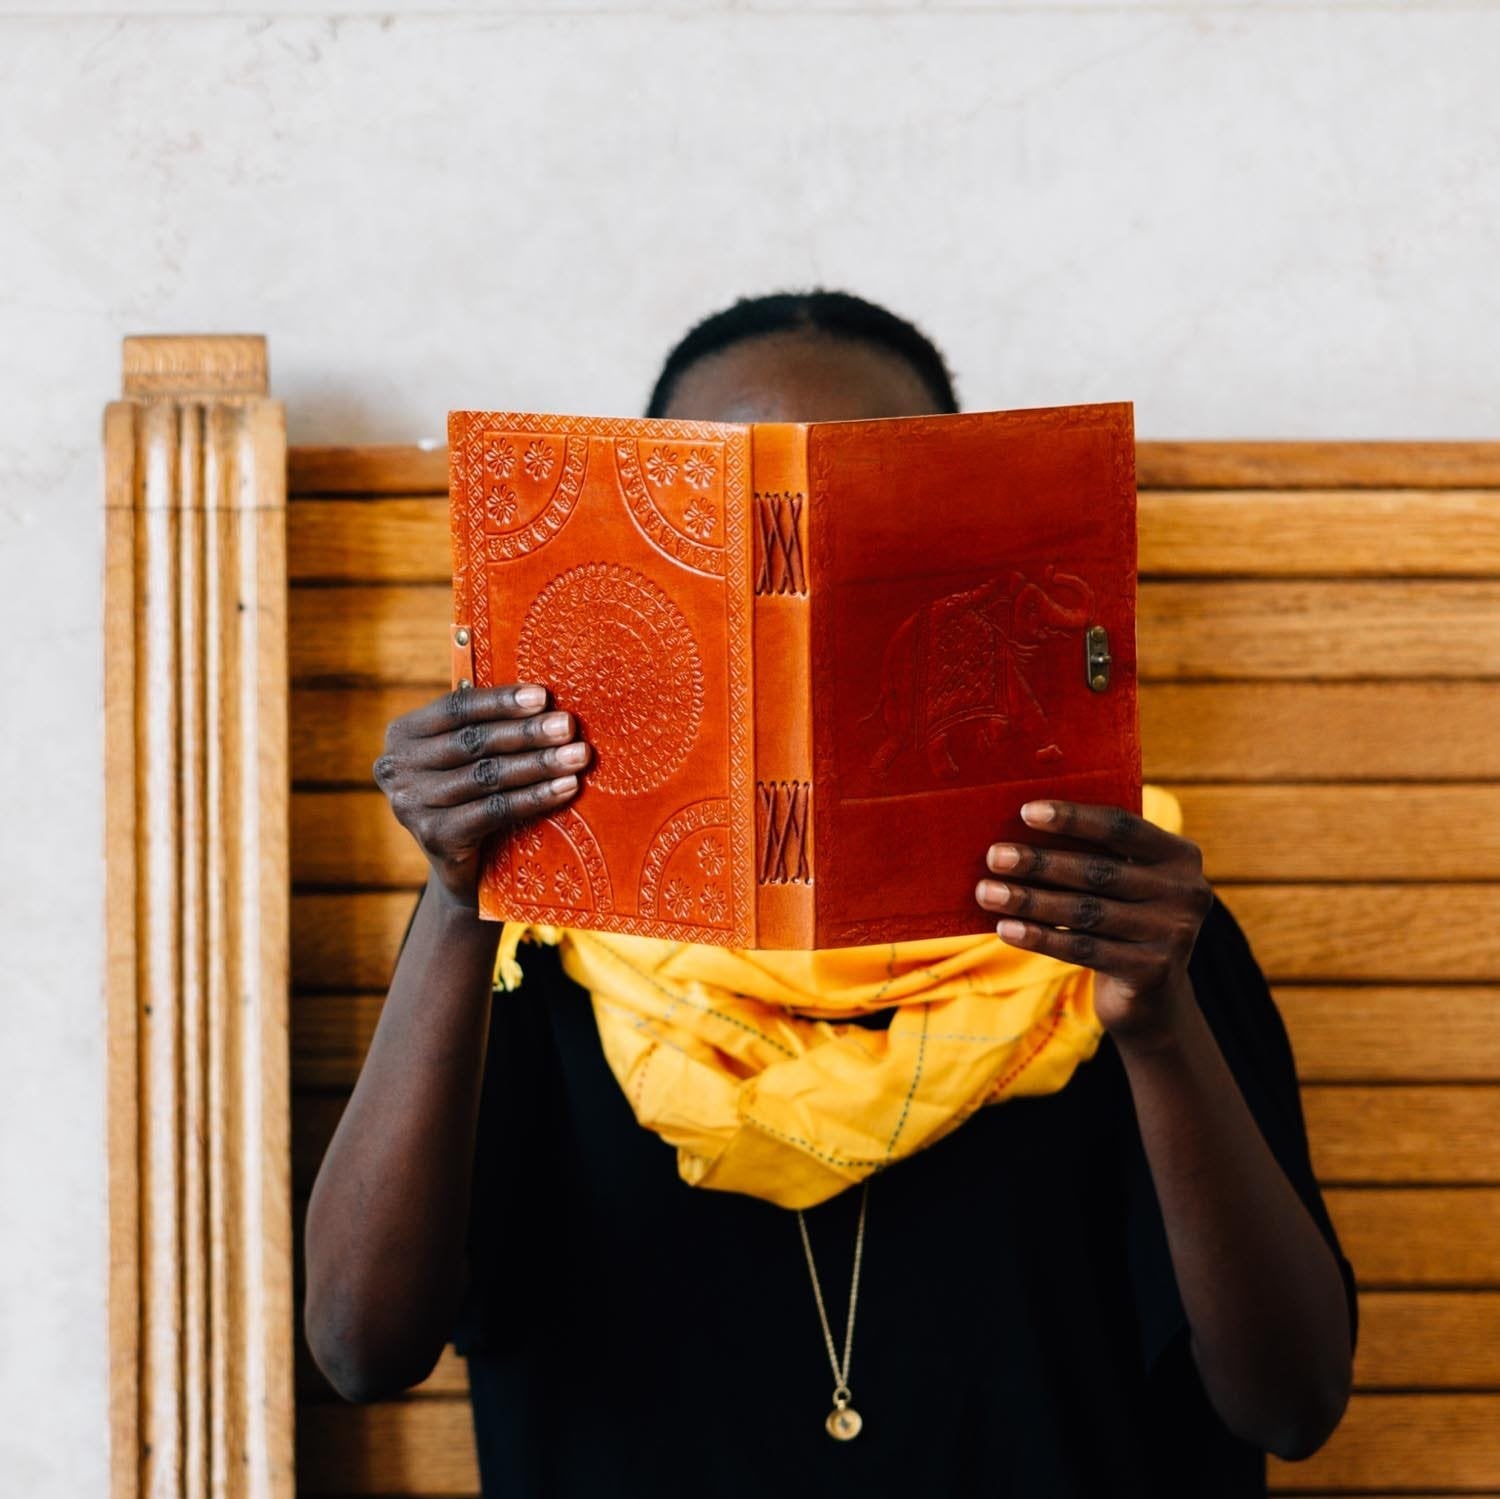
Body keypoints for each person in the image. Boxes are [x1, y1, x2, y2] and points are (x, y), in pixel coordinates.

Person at [304, 291, 1356, 1498]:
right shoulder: (526, 948)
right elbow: (358, 1342)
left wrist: (1160, 1027)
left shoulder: (1125, 921)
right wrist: (457, 892)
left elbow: (1292, 1399)